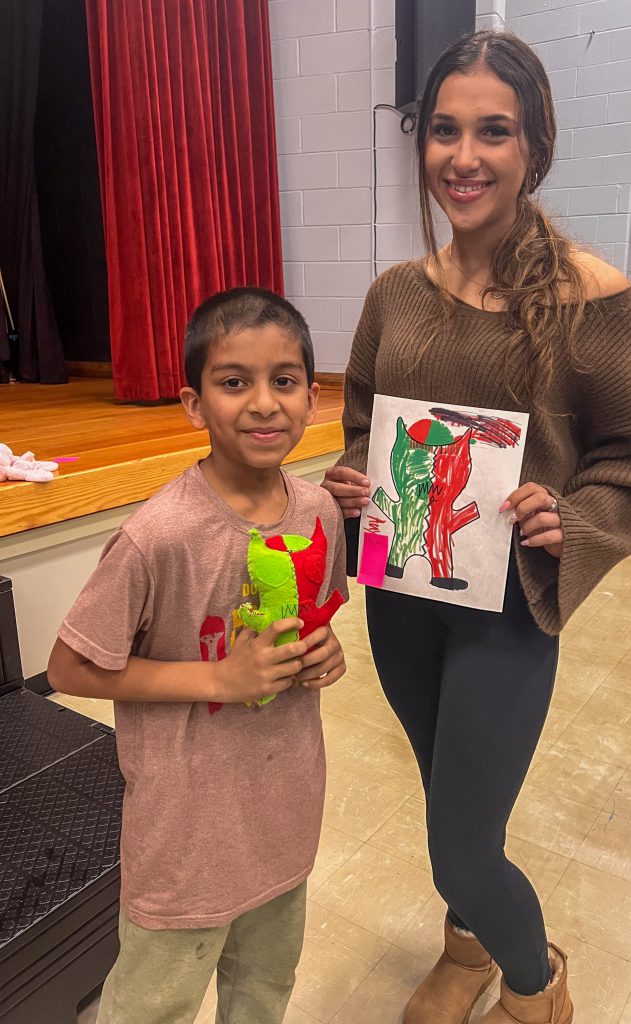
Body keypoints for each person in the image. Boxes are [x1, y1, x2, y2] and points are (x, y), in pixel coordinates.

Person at [322, 30, 631, 1024]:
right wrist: (355, 480)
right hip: (403, 598)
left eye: (493, 131)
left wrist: (569, 519)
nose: (463, 156)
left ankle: (536, 982)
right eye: (444, 130)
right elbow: (362, 428)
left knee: (463, 841)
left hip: (507, 613)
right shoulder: (395, 295)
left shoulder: (591, 299)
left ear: (535, 147)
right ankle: (466, 942)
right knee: (449, 795)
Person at [47, 287, 348, 1024]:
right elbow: (67, 667)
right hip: (185, 844)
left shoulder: (319, 513)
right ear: (192, 403)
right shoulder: (160, 535)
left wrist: (323, 653)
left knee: (264, 992)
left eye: (284, 381)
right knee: (151, 1007)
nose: (264, 403)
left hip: (283, 820)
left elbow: (321, 617)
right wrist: (220, 676)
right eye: (233, 381)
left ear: (313, 398)